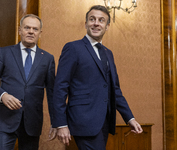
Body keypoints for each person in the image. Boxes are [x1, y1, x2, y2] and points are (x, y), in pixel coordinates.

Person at [51, 5, 143, 150]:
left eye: (101, 20)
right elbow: (60, 87)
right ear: (85, 23)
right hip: (82, 120)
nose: (96, 23)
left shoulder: (108, 53)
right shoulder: (73, 48)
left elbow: (115, 90)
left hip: (104, 122)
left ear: (107, 26)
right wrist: (61, 123)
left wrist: (129, 118)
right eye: (92, 19)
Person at [0, 14, 56, 150]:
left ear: (40, 33)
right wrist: (3, 95)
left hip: (32, 123)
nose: (31, 31)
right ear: (20, 30)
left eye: (35, 29)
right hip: (5, 120)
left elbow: (52, 92)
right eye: (27, 28)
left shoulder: (47, 58)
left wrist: (55, 121)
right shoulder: (4, 52)